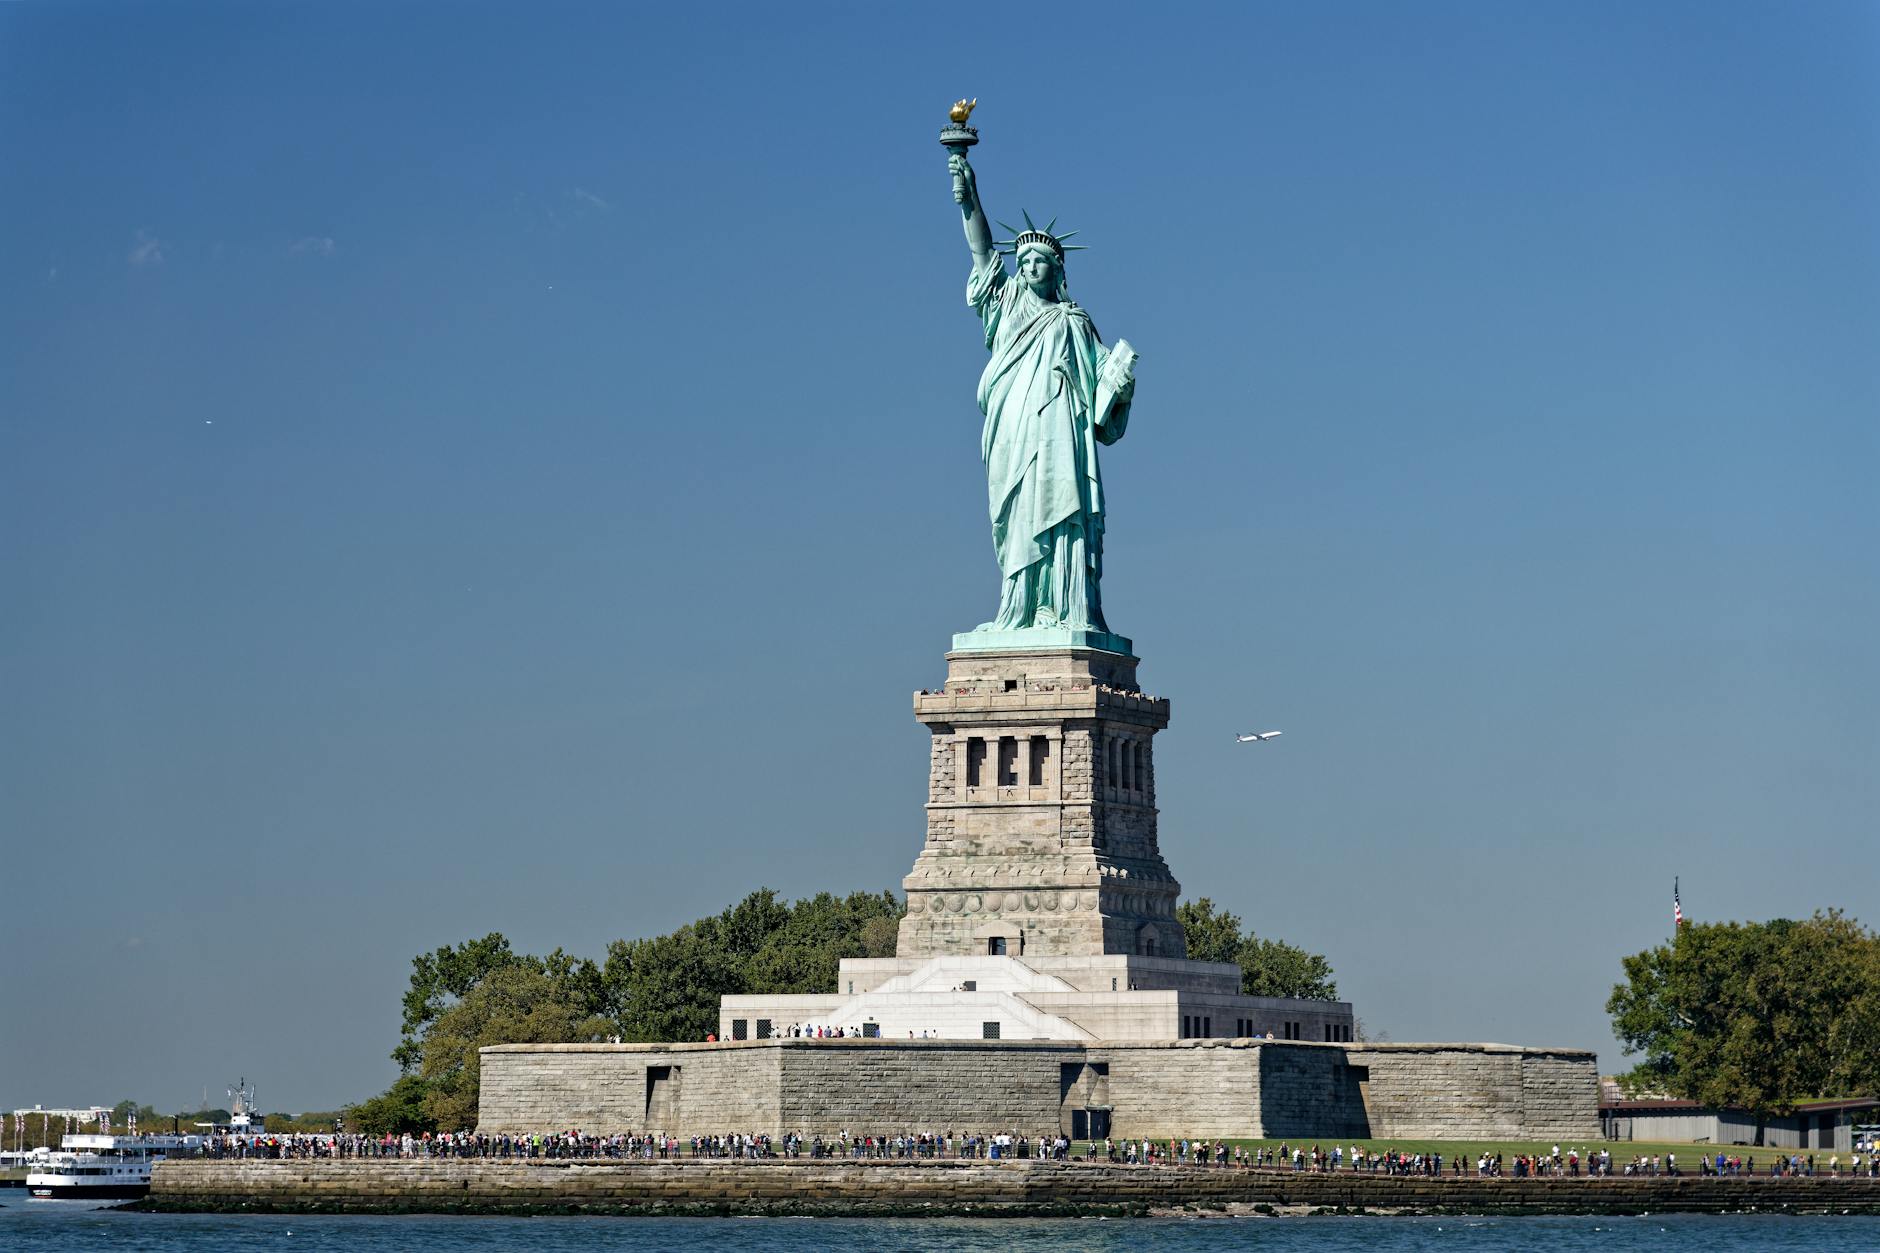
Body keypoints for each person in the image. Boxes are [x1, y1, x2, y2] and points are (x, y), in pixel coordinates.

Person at [945, 148, 1137, 636]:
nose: (1029, 267)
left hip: (1058, 438)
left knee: (1058, 511)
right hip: (1012, 427)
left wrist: (1120, 382)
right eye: (1024, 260)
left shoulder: (1074, 321)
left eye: (1040, 261)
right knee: (1015, 515)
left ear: (1058, 271)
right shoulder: (1006, 304)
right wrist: (969, 198)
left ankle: (1063, 606)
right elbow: (982, 252)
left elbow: (1100, 399)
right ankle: (1019, 608)